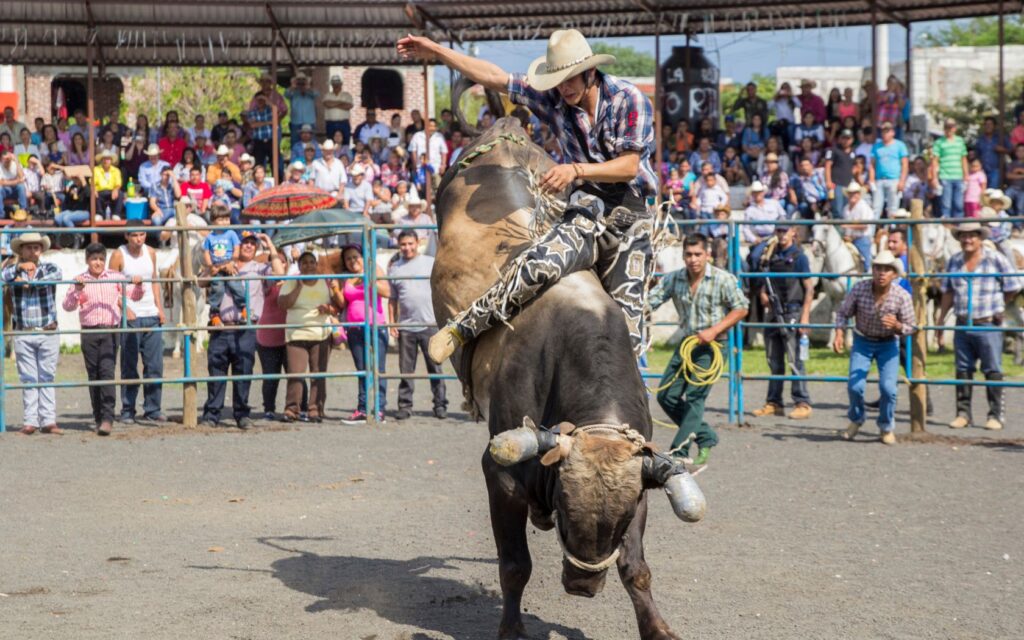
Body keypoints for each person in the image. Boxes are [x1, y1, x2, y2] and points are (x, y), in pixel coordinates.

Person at [400, 29, 655, 361]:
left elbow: (629, 166)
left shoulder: (629, 99)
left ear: (590, 73)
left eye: (570, 79)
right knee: (539, 265)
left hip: (631, 216)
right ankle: (462, 328)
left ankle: (631, 404)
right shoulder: (553, 98)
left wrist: (575, 170)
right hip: (589, 206)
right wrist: (437, 50)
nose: (564, 88)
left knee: (630, 335)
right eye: (559, 80)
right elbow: (494, 76)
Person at [649, 233, 748, 465]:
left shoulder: (723, 279)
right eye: (689, 255)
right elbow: (651, 300)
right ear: (683, 256)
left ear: (708, 255)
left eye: (698, 254)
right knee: (666, 395)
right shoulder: (674, 279)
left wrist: (714, 330)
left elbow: (741, 308)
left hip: (713, 345)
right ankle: (705, 435)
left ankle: (680, 451)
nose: (693, 259)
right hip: (687, 344)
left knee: (695, 396)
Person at [938, 222, 1024, 431]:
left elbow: (1012, 286)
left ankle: (995, 415)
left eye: (972, 236)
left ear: (980, 238)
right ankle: (963, 413)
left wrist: (999, 305)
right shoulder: (954, 262)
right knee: (963, 369)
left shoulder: (995, 259)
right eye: (963, 236)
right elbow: (948, 291)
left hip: (987, 322)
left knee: (992, 368)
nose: (967, 240)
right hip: (962, 323)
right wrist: (941, 319)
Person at [200, 232, 284, 429]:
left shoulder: (259, 268)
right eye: (244, 242)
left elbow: (280, 275)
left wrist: (270, 246)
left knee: (244, 371)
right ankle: (212, 414)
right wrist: (217, 268)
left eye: (252, 243)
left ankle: (241, 414)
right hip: (221, 326)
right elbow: (200, 282)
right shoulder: (220, 263)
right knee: (216, 371)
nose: (248, 246)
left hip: (246, 327)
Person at [833, 251, 916, 445]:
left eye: (887, 269)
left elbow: (911, 326)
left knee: (888, 388)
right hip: (863, 340)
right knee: (855, 386)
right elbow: (843, 312)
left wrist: (897, 326)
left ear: (894, 274)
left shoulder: (901, 296)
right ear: (872, 270)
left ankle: (886, 426)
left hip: (888, 343)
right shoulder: (860, 288)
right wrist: (839, 332)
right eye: (878, 268)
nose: (882, 273)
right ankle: (856, 419)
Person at [63, 243, 145, 435]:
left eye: (100, 259)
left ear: (105, 260)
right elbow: (67, 306)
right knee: (94, 375)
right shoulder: (80, 280)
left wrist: (138, 284)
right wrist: (76, 290)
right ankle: (98, 416)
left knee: (107, 373)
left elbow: (134, 295)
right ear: (87, 261)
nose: (97, 263)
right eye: (93, 259)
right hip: (89, 332)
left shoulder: (115, 278)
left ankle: (108, 418)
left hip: (110, 331)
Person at [751, 223, 814, 420]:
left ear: (793, 232)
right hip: (773, 314)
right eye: (778, 230)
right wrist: (762, 294)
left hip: (792, 312)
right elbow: (764, 281)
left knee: (795, 360)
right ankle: (774, 402)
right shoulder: (770, 255)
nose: (781, 234)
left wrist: (805, 316)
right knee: (774, 360)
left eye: (785, 230)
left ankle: (802, 402)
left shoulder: (799, 257)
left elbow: (809, 288)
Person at [2, 231, 62, 434]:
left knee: (46, 376)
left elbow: (57, 276)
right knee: (28, 378)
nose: (33, 251)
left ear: (41, 250)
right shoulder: (12, 270)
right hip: (25, 331)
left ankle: (48, 420)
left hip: (47, 330)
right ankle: (30, 421)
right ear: (21, 251)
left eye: (36, 247)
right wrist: (18, 269)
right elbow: (3, 277)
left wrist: (28, 282)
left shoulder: (50, 267)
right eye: (28, 247)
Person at [276, 250, 343, 423]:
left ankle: (315, 409)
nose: (308, 266)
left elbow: (338, 306)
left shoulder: (325, 281)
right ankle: (292, 409)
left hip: (321, 334)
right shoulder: (292, 282)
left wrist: (328, 309)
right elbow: (283, 304)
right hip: (296, 333)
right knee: (295, 374)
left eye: (312, 262)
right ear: (299, 266)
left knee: (318, 374)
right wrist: (298, 287)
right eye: (304, 263)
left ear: (316, 264)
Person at [388, 230, 448, 420]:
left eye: (410, 243)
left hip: (429, 323)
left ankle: (440, 404)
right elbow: (392, 299)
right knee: (406, 370)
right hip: (406, 325)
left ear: (417, 243)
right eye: (403, 244)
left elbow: (441, 290)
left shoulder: (430, 263)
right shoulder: (395, 268)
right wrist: (392, 322)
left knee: (435, 367)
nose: (407, 248)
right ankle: (405, 406)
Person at [339, 244, 390, 423]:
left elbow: (387, 292)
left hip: (376, 326)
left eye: (356, 256)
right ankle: (362, 409)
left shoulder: (374, 269)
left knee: (378, 369)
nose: (353, 261)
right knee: (362, 370)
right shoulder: (346, 277)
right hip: (354, 328)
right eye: (349, 258)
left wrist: (369, 279)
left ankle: (380, 409)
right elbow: (342, 302)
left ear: (363, 256)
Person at [256, 252, 308, 421]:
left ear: (287, 264)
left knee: (296, 374)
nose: (276, 265)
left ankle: (302, 408)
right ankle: (269, 409)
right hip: (269, 335)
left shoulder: (293, 281)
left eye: (280, 261)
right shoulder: (266, 282)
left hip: (291, 335)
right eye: (271, 263)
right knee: (270, 376)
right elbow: (275, 273)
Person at [202, 205, 247, 326]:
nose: (225, 222)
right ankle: (214, 314)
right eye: (221, 219)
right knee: (217, 289)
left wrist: (233, 261)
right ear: (213, 221)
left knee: (235, 285)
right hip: (217, 266)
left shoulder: (231, 233)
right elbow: (206, 252)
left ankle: (244, 308)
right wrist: (211, 266)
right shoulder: (210, 237)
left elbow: (236, 248)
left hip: (229, 264)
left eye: (227, 219)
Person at [869, 122, 909, 218]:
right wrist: (871, 180)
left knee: (893, 208)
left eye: (887, 131)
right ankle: (872, 232)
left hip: (894, 180)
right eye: (883, 131)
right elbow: (872, 165)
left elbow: (905, 164)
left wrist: (902, 181)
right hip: (879, 180)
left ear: (892, 132)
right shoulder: (876, 146)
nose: (885, 134)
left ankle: (892, 230)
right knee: (876, 207)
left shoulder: (900, 145)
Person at [932, 118, 969, 219]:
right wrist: (935, 178)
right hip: (945, 176)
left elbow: (963, 159)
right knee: (946, 204)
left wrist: (966, 175)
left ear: (955, 128)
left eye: (951, 127)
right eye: (947, 127)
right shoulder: (939, 142)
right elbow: (935, 161)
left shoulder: (960, 141)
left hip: (959, 176)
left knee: (959, 204)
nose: (949, 129)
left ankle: (959, 226)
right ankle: (947, 227)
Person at [840, 182, 875, 268]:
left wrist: (847, 226)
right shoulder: (846, 208)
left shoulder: (863, 207)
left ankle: (867, 274)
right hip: (848, 240)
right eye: (850, 193)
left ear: (859, 194)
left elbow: (865, 225)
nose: (853, 195)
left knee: (865, 263)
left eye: (855, 193)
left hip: (861, 239)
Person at [824, 128, 856, 215]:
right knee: (837, 208)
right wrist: (828, 181)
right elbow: (827, 165)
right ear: (840, 139)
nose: (846, 140)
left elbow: (854, 167)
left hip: (848, 184)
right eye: (844, 138)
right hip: (836, 184)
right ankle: (837, 228)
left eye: (848, 138)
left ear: (852, 140)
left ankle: (845, 228)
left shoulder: (853, 152)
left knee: (847, 209)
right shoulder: (833, 150)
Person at [975, 116, 1009, 189]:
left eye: (990, 124)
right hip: (982, 170)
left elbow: (1011, 149)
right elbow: (976, 154)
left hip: (995, 170)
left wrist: (1003, 149)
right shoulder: (980, 139)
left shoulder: (1000, 137)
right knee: (982, 192)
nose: (988, 126)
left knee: (992, 192)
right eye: (986, 124)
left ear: (994, 126)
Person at [285, 73, 320, 143]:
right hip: (296, 122)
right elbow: (286, 94)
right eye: (299, 80)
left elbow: (317, 94)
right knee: (295, 143)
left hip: (310, 121)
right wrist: (293, 86)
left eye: (303, 80)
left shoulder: (310, 91)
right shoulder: (293, 92)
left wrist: (307, 86)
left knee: (312, 143)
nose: (301, 82)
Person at [323, 74, 354, 146]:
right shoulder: (327, 95)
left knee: (345, 143)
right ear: (332, 85)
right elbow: (327, 104)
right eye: (334, 84)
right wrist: (341, 103)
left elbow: (349, 106)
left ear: (341, 84)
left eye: (337, 84)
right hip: (330, 123)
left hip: (344, 123)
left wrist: (333, 104)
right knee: (330, 144)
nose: (336, 85)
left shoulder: (347, 95)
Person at [93, 149, 124, 220]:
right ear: (101, 160)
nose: (106, 161)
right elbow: (92, 182)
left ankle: (116, 214)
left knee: (120, 193)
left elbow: (118, 183)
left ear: (111, 160)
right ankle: (99, 213)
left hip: (112, 192)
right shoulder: (96, 169)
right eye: (104, 159)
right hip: (100, 192)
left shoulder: (116, 170)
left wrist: (116, 189)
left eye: (108, 159)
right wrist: (94, 189)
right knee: (93, 193)